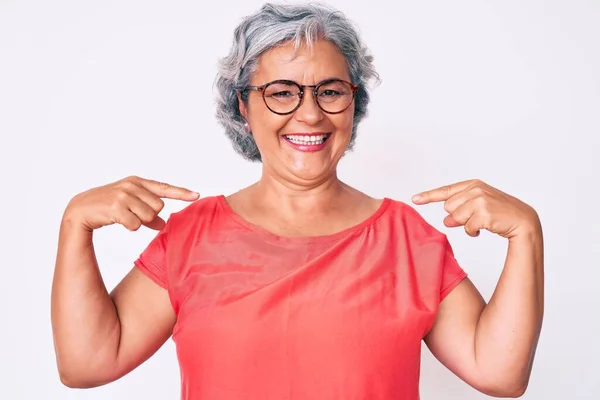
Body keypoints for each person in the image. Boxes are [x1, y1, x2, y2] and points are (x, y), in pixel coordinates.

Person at [51, 3, 544, 399]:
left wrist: (526, 234)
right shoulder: (190, 236)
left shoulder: (408, 240)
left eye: (330, 91)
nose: (309, 114)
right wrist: (75, 225)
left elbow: (498, 374)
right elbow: (88, 363)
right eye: (282, 92)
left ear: (354, 104)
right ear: (243, 106)